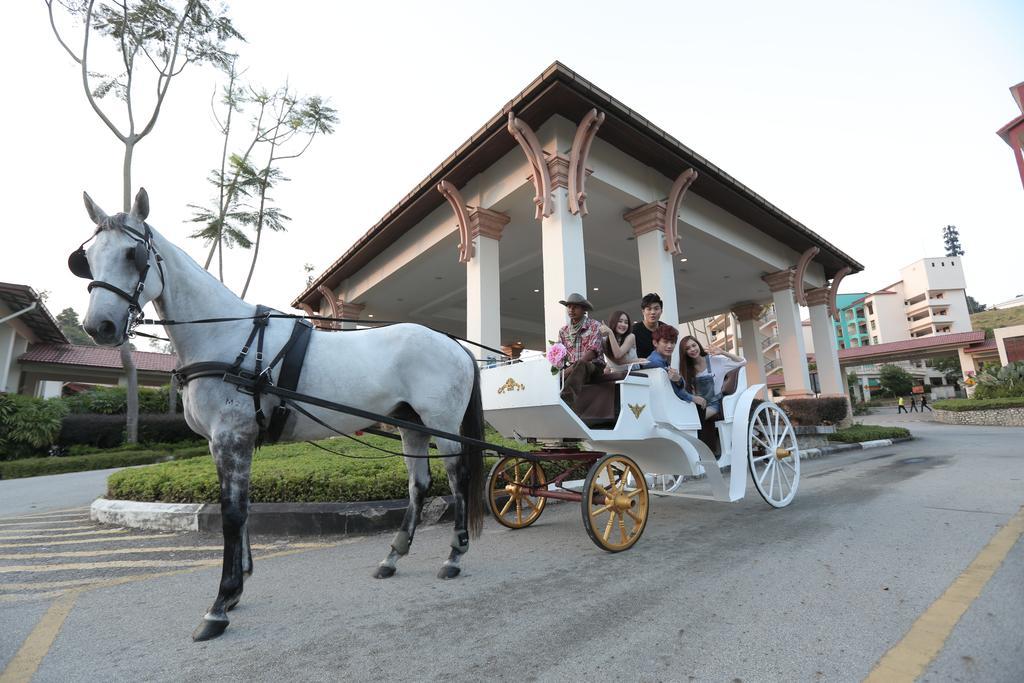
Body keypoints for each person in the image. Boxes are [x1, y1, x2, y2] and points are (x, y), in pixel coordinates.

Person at [679, 336, 747, 421]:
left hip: (714, 404)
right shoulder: (687, 369)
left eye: (694, 345)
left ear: (698, 345)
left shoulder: (715, 360)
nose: (692, 349)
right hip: (696, 404)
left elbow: (742, 361)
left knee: (695, 419)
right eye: (688, 348)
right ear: (684, 352)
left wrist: (722, 352)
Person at [556, 293, 606, 408]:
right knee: (553, 373)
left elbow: (593, 352)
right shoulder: (563, 331)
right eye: (569, 307)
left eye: (575, 307)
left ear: (584, 310)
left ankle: (565, 403)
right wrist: (560, 370)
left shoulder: (594, 325)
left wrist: (569, 370)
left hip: (593, 367)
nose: (571, 310)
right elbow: (560, 356)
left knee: (581, 364)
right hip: (571, 368)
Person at [645, 324, 705, 409]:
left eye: (672, 342)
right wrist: (693, 398)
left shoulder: (655, 359)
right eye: (665, 342)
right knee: (701, 403)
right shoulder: (657, 363)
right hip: (667, 407)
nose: (669, 346)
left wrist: (679, 380)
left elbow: (677, 384)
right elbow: (675, 391)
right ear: (655, 343)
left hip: (662, 405)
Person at [632, 293, 665, 359]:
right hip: (640, 368)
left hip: (661, 368)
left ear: (661, 311)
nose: (652, 312)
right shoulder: (634, 330)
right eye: (649, 309)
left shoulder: (665, 329)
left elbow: (668, 353)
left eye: (656, 309)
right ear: (643, 311)